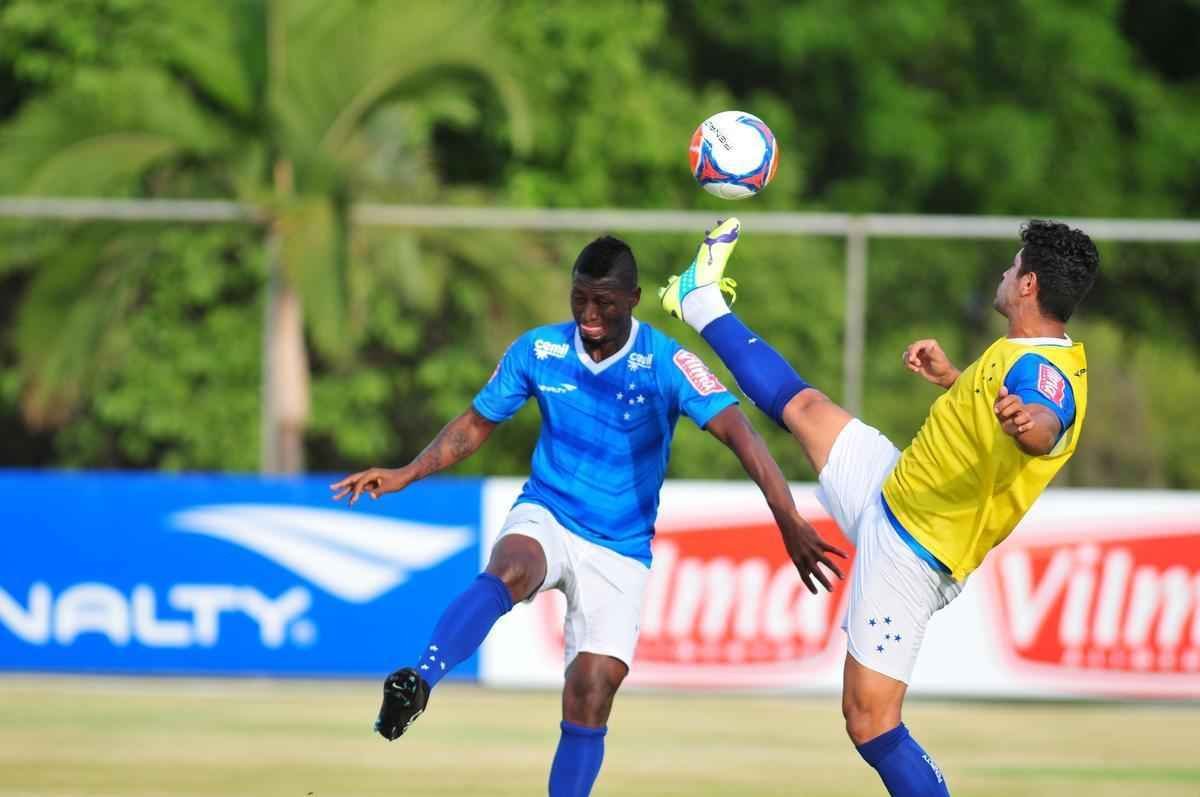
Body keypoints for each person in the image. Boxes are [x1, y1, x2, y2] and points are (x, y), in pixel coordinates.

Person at [330, 234, 846, 797]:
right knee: (512, 566)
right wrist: (407, 473)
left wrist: (788, 518)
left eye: (604, 303)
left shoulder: (667, 361)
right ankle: (419, 681)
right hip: (548, 511)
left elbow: (740, 434)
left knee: (592, 690)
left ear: (634, 299)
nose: (589, 315)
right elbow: (475, 424)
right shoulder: (539, 350)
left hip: (620, 547)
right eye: (579, 299)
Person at [659, 217, 1097, 796]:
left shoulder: (1045, 371)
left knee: (869, 720)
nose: (1005, 271)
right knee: (805, 408)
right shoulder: (1023, 352)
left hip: (913, 550)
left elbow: (1044, 418)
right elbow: (1005, 404)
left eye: (1014, 265)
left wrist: (1030, 426)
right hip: (895, 486)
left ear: (1028, 285)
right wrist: (955, 379)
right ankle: (698, 300)